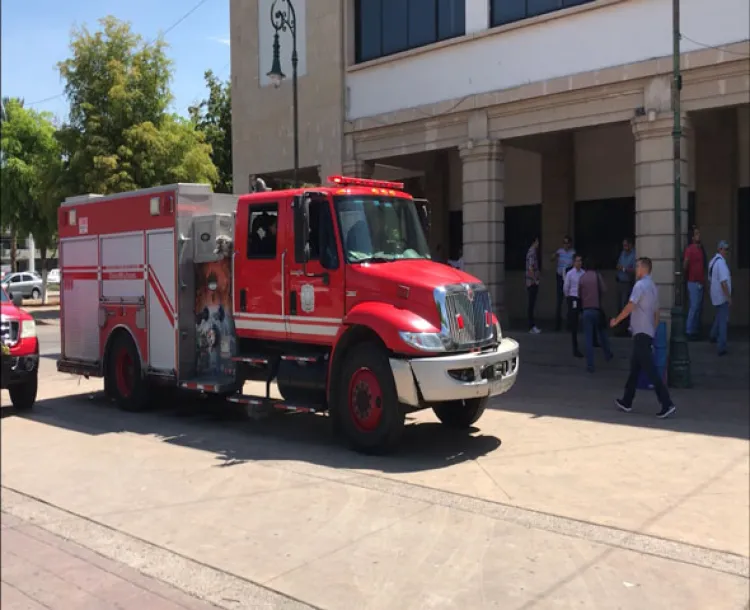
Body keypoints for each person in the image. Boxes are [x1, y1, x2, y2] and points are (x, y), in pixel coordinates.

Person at [610, 257, 676, 419]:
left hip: (640, 333)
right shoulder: (653, 287)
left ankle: (666, 403)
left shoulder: (639, 286)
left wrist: (616, 320)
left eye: (638, 266)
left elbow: (630, 306)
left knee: (651, 370)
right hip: (646, 333)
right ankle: (627, 400)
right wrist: (652, 331)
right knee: (635, 369)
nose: (636, 268)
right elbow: (657, 312)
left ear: (644, 268)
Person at [578, 258, 614, 372]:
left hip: (586, 310)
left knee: (588, 338)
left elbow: (579, 294)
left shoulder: (582, 278)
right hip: (597, 309)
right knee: (602, 333)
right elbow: (604, 289)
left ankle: (590, 365)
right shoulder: (597, 276)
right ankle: (607, 354)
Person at [708, 240, 732, 356]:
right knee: (723, 321)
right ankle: (721, 347)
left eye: (727, 249)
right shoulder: (721, 264)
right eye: (725, 249)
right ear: (720, 249)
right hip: (722, 296)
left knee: (719, 317)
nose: (726, 251)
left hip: (715, 295)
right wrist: (728, 297)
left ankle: (712, 335)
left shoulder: (713, 262)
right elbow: (723, 282)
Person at [683, 226, 707, 340]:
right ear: (692, 237)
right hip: (692, 281)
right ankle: (689, 330)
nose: (699, 235)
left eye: (699, 233)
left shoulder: (701, 248)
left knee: (698, 307)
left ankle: (695, 330)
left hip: (700, 281)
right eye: (697, 234)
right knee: (694, 306)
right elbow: (685, 264)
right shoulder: (690, 249)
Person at [563, 254, 586, 357]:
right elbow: (566, 287)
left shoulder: (583, 273)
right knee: (574, 323)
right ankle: (575, 347)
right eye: (577, 261)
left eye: (580, 261)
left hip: (582, 298)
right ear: (573, 262)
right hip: (573, 298)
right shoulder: (570, 274)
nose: (579, 263)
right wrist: (568, 298)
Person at [551, 236, 576, 331]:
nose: (566, 245)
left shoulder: (573, 252)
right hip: (560, 277)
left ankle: (569, 324)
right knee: (559, 300)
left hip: (569, 278)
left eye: (567, 243)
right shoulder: (560, 251)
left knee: (569, 301)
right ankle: (558, 325)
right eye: (564, 243)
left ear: (570, 244)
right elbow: (552, 258)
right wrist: (554, 256)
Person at [615, 239, 636, 335]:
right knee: (619, 306)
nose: (624, 247)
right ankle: (619, 328)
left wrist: (623, 269)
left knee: (625, 306)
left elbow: (634, 270)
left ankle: (625, 329)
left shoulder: (634, 255)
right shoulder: (622, 254)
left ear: (630, 245)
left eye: (626, 245)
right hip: (620, 281)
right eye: (623, 245)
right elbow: (618, 264)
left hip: (627, 282)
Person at [526, 237, 541, 334]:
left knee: (531, 304)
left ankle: (532, 325)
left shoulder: (531, 252)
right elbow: (531, 268)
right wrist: (535, 280)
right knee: (531, 304)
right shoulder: (532, 253)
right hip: (532, 282)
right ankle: (531, 326)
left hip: (531, 281)